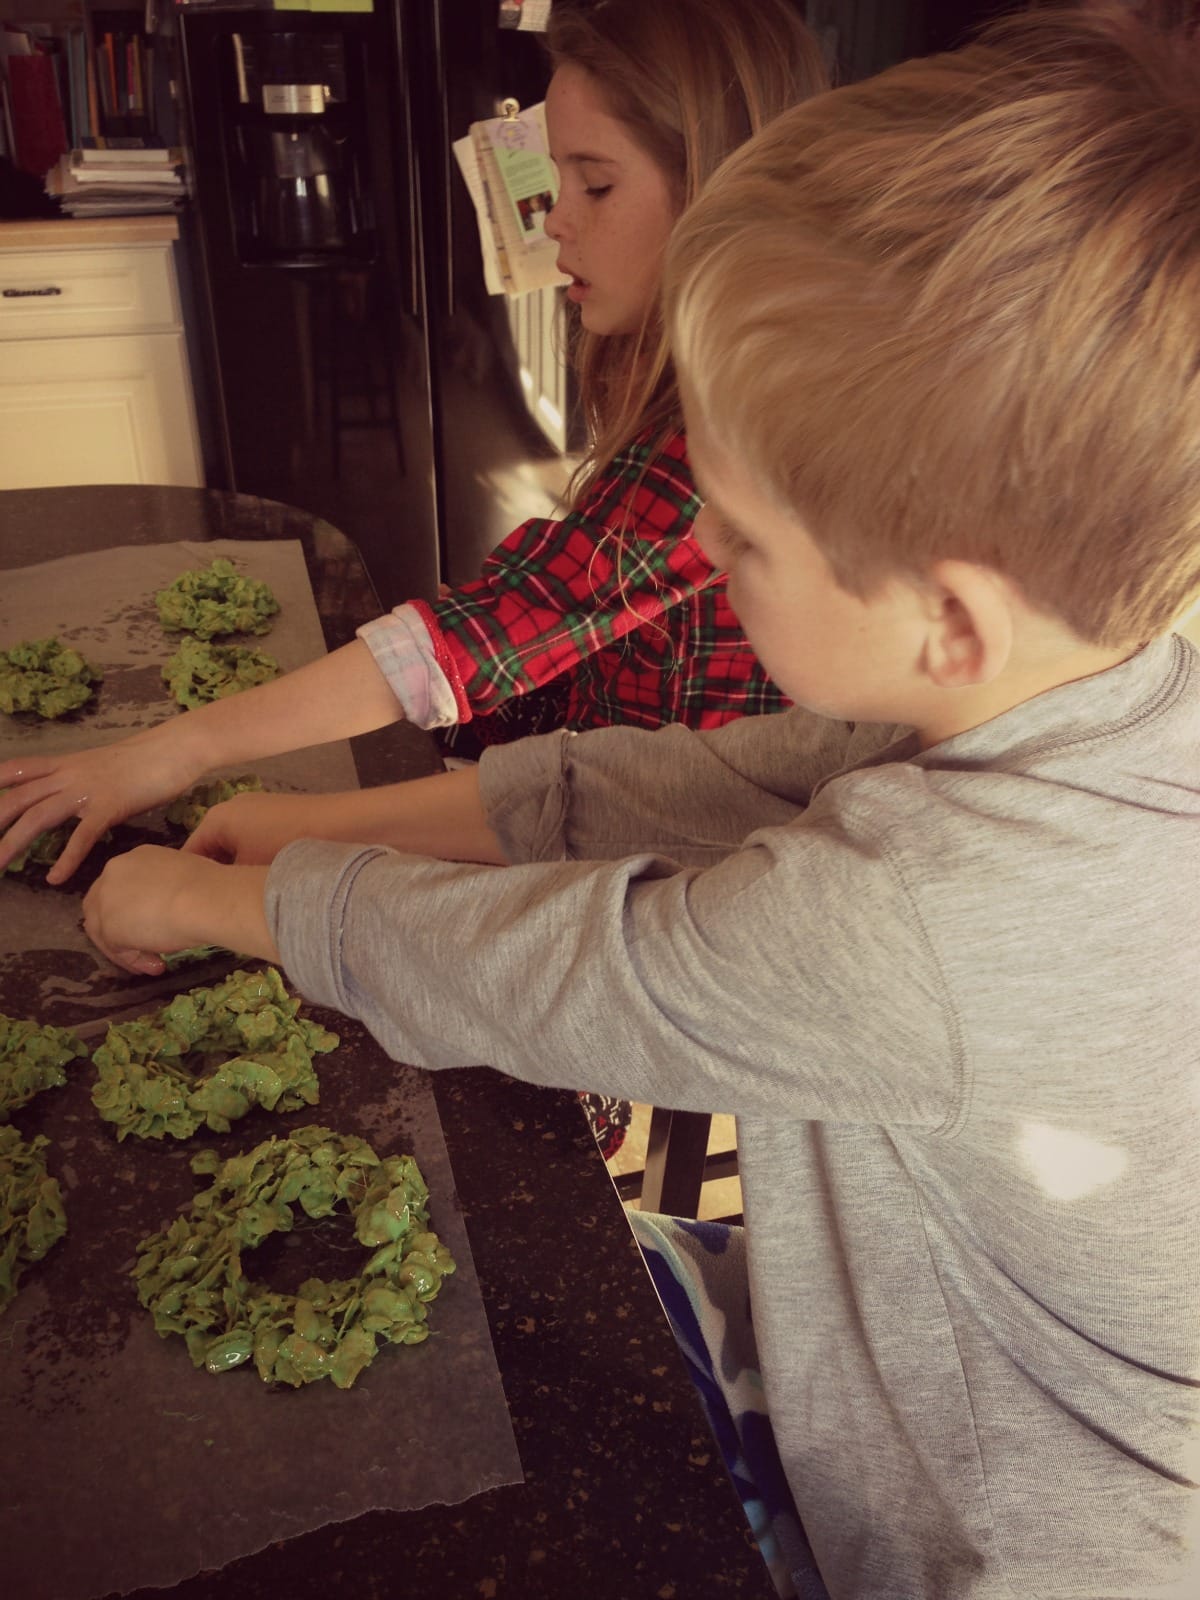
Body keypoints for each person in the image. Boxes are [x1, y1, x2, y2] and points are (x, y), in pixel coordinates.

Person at [74, 4, 1200, 1594]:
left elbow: (574, 971)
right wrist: (343, 826)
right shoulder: (1098, 702)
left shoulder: (910, 920)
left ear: (948, 615)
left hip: (1000, 1552)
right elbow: (690, 783)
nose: (713, 572)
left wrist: (218, 902)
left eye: (739, 543)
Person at [0, 0, 826, 886]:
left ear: (720, 192)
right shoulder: (686, 396)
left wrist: (172, 751)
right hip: (575, 804)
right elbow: (564, 664)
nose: (555, 220)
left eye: (596, 182)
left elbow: (482, 639)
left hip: (659, 886)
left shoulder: (730, 449)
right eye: (557, 178)